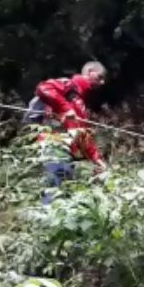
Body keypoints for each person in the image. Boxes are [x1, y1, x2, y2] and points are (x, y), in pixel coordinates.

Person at [23, 61, 108, 202]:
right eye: (100, 77)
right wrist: (65, 108)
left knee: (64, 194)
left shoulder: (80, 104)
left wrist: (96, 159)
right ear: (89, 72)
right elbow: (43, 88)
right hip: (53, 144)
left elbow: (81, 134)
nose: (102, 82)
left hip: (66, 151)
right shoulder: (68, 85)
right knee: (54, 192)